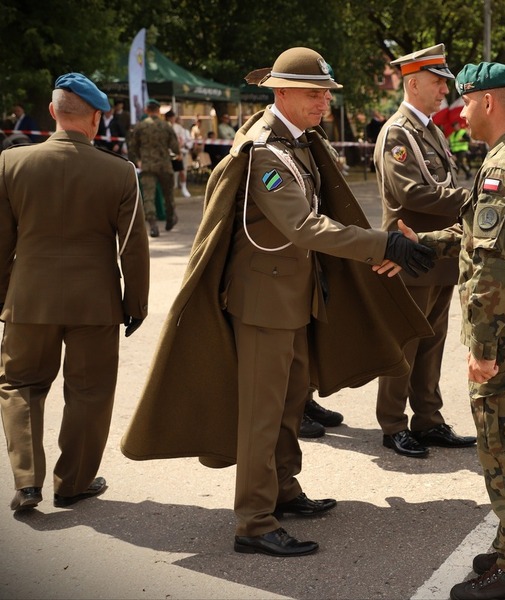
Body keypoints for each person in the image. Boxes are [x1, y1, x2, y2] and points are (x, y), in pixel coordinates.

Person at [120, 47, 436, 558]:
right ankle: (254, 520)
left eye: (326, 95)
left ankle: (284, 491)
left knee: (290, 403)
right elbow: (304, 226)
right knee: (263, 415)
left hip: (292, 297)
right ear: (281, 92)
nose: (323, 105)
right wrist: (383, 244)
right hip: (264, 304)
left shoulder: (299, 143)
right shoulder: (268, 151)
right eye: (314, 95)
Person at [386, 61, 505, 600]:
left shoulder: (502, 167)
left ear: (488, 101)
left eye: (466, 102)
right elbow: (484, 233)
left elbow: (491, 265)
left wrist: (481, 347)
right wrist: (424, 245)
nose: (460, 113)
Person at [0, 73, 150, 512]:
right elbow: (133, 248)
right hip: (96, 303)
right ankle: (74, 483)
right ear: (98, 119)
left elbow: (1, 241)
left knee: (21, 385)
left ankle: (27, 481)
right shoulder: (120, 172)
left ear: (52, 113)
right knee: (89, 392)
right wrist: (135, 304)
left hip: (28, 300)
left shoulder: (10, 165)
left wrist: (4, 296)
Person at [374, 43, 474, 458]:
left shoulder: (430, 130)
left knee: (432, 341)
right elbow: (409, 192)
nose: (443, 92)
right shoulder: (398, 132)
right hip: (410, 253)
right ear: (413, 83)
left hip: (438, 255)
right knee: (405, 343)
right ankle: (393, 424)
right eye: (437, 83)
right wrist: (467, 199)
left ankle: (428, 419)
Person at [129, 98, 181, 237]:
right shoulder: (166, 126)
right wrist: (178, 154)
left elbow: (132, 148)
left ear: (146, 110)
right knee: (168, 195)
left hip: (147, 166)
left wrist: (138, 161)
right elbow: (175, 148)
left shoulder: (140, 127)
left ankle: (153, 225)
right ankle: (170, 218)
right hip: (165, 166)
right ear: (158, 111)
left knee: (148, 197)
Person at [164, 110, 193, 198]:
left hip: (176, 151)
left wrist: (179, 150)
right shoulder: (164, 126)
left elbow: (181, 139)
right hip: (167, 152)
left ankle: (184, 188)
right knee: (169, 172)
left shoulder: (178, 127)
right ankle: (171, 188)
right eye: (171, 117)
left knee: (181, 171)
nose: (173, 119)